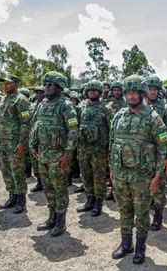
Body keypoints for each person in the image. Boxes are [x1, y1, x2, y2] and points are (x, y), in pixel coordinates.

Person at [109, 74, 167, 264]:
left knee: (141, 214)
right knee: (124, 210)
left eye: (135, 92)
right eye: (128, 92)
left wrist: (157, 176)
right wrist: (111, 169)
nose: (131, 96)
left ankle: (140, 248)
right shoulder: (118, 116)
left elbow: (162, 149)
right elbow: (112, 143)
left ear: (142, 94)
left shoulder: (153, 117)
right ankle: (126, 244)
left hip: (142, 176)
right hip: (120, 174)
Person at [31, 71, 78, 237]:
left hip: (58, 157)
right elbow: (36, 125)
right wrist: (32, 144)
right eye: (46, 84)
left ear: (59, 87)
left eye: (50, 85)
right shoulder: (42, 104)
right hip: (43, 154)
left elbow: (73, 131)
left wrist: (67, 154)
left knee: (59, 189)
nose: (47, 87)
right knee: (48, 188)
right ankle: (51, 217)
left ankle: (60, 221)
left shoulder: (66, 106)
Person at [143, 75, 167, 231]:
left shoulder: (166, 107)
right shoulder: (139, 105)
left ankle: (158, 215)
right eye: (150, 89)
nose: (152, 92)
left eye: (155, 89)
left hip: (160, 155)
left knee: (159, 186)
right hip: (141, 155)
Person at [76, 80, 113, 217]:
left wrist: (109, 149)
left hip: (99, 150)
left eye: (95, 90)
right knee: (86, 175)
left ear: (99, 92)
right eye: (90, 90)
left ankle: (98, 202)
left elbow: (112, 129)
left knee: (99, 177)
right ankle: (89, 200)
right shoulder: (81, 107)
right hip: (83, 148)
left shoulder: (105, 108)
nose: (92, 92)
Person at [0, 74, 31, 214]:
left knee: (17, 172)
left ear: (16, 84)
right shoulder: (3, 100)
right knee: (6, 171)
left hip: (14, 143)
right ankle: (12, 196)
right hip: (2, 143)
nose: (5, 86)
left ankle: (21, 200)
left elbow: (26, 123)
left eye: (8, 83)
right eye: (4, 83)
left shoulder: (21, 100)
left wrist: (22, 143)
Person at [29, 86, 45, 192]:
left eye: (41, 93)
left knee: (45, 163)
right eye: (37, 93)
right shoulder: (32, 106)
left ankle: (46, 182)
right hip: (33, 138)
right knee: (35, 162)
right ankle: (39, 181)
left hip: (45, 139)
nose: (38, 95)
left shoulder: (46, 106)